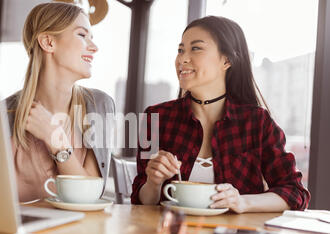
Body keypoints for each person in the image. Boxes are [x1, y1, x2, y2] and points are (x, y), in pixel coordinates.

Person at [131, 16, 310, 212]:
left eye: (196, 48)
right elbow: (140, 201)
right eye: (180, 50)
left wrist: (242, 202)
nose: (182, 58)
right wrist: (154, 182)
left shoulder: (257, 122)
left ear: (226, 60)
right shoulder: (155, 117)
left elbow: (295, 193)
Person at [6, 2, 115, 203]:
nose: (94, 47)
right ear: (48, 42)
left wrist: (54, 137)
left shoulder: (99, 106)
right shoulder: (6, 114)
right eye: (82, 35)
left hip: (75, 232)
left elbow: (88, 198)